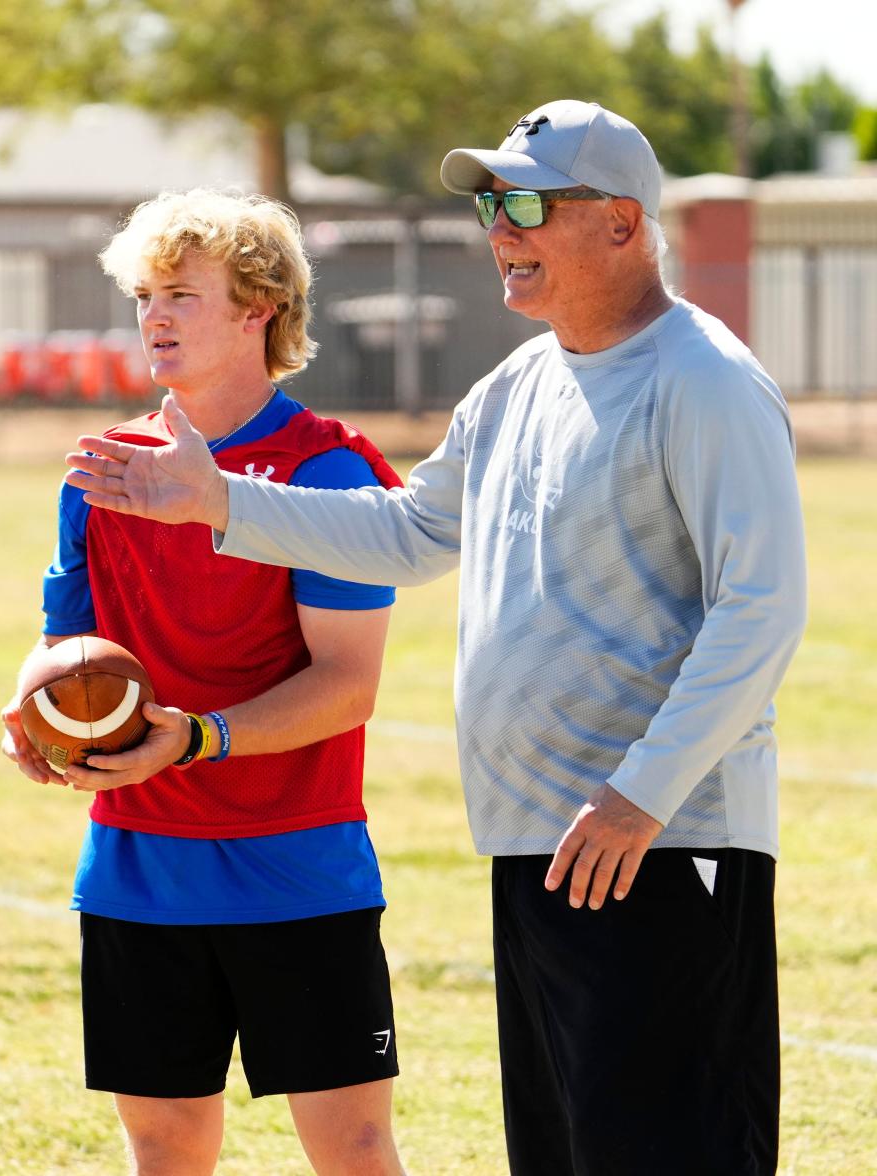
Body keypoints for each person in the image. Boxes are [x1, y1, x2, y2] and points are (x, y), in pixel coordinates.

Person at [64, 102, 807, 1176]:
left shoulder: (705, 380)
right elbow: (411, 532)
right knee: (568, 1151)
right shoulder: (519, 384)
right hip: (542, 841)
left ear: (622, 225)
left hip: (660, 840)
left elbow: (762, 609)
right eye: (490, 205)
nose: (498, 229)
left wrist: (642, 794)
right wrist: (218, 501)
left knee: (667, 1148)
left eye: (525, 204)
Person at [1, 189, 408, 1176]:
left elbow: (348, 686)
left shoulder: (330, 472)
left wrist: (196, 737)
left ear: (258, 305)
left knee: (352, 1147)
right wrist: (29, 712)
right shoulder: (102, 471)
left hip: (299, 866)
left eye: (182, 292)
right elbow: (67, 642)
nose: (153, 317)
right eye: (145, 294)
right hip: (138, 869)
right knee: (165, 1144)